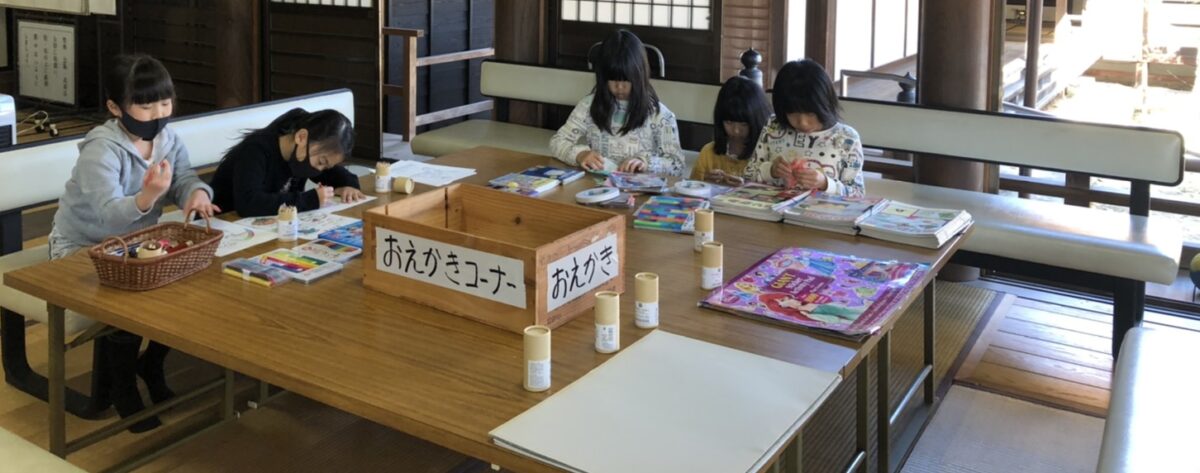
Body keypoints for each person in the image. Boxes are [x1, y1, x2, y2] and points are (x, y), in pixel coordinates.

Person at [50, 54, 219, 432]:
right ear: (115, 108)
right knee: (132, 291)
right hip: (81, 245)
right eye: (145, 106)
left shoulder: (166, 138)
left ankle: (151, 364)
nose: (159, 113)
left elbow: (184, 178)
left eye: (165, 102)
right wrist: (147, 197)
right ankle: (123, 387)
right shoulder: (101, 149)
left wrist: (197, 194)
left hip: (136, 242)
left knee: (186, 281)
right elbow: (107, 216)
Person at [549, 29, 685, 176]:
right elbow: (557, 142)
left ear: (640, 75)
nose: (619, 87)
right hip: (598, 183)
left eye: (627, 80)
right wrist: (580, 155)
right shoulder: (588, 106)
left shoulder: (659, 115)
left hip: (640, 186)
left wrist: (646, 162)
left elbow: (677, 163)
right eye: (612, 79)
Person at [741, 59, 865, 197]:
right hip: (772, 208)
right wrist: (770, 171)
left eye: (811, 114)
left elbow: (858, 194)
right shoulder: (773, 126)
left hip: (820, 209)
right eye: (792, 114)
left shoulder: (847, 138)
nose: (803, 123)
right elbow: (748, 175)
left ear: (826, 105)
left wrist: (825, 183)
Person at [210, 108, 362, 217]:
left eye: (326, 166)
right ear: (301, 137)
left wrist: (349, 185)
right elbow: (248, 204)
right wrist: (310, 200)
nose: (320, 169)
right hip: (222, 222)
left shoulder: (303, 153)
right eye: (321, 161)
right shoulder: (255, 150)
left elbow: (336, 174)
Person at [690, 76, 772, 181]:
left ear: (756, 121)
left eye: (743, 124)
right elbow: (691, 186)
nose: (736, 130)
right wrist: (706, 183)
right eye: (729, 123)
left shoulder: (767, 153)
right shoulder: (708, 153)